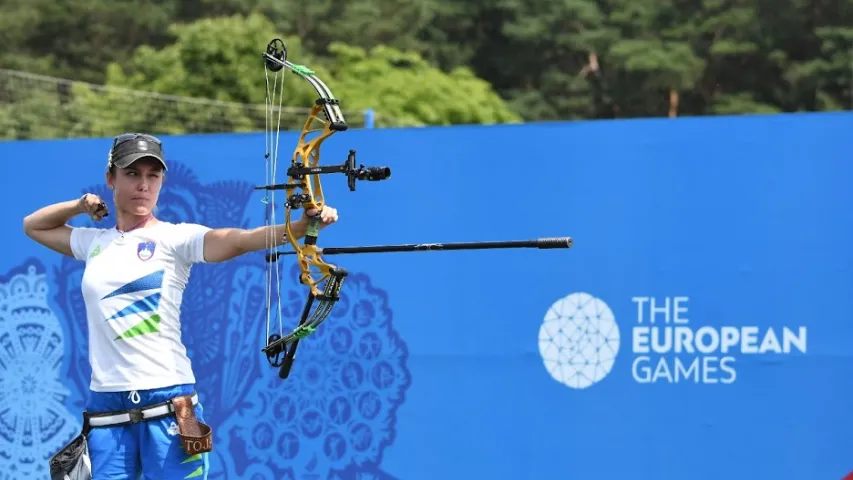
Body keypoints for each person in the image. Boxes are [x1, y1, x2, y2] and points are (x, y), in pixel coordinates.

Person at [23, 132, 339, 479]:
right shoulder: (94, 242)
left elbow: (237, 240)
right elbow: (33, 226)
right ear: (110, 179)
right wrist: (79, 205)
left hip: (168, 404)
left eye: (152, 176)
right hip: (107, 410)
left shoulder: (175, 238)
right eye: (131, 174)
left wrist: (299, 227)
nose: (143, 185)